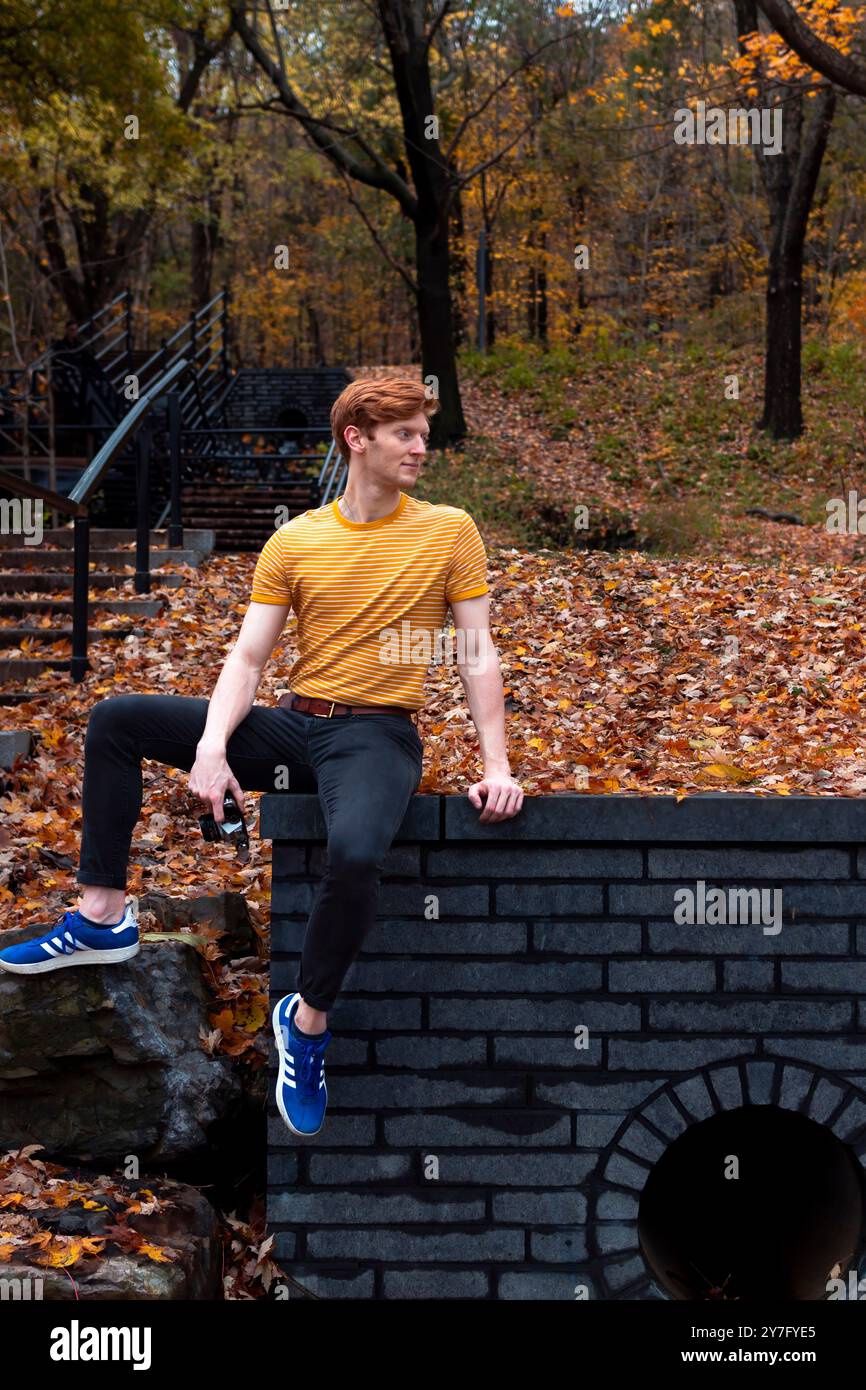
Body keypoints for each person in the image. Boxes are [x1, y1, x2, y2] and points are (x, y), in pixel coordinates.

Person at [0, 376, 524, 1140]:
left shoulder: (448, 530)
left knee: (353, 855)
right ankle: (101, 915)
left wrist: (498, 764)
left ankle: (306, 1025)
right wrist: (211, 750)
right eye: (406, 434)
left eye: (421, 433)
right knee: (117, 719)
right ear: (358, 438)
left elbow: (476, 654)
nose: (421, 448)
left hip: (377, 735)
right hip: (294, 726)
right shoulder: (297, 538)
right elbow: (248, 659)